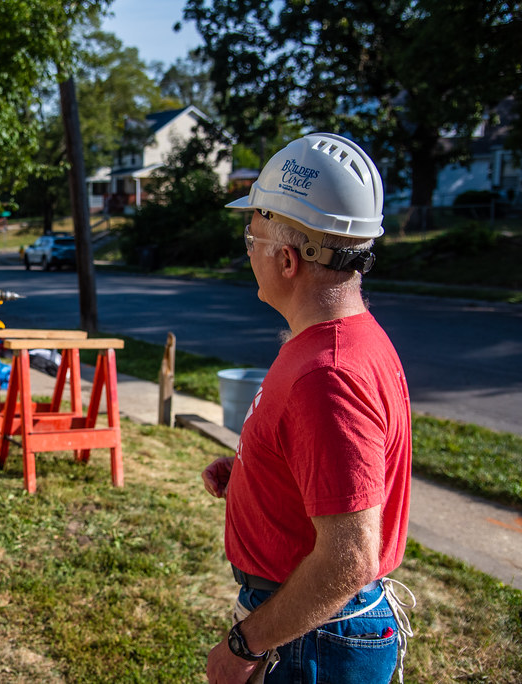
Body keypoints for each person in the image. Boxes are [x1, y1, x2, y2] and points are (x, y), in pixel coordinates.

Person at [202, 132, 414, 684]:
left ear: (287, 259)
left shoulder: (329, 375)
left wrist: (243, 647)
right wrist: (256, 472)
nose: (248, 251)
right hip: (310, 627)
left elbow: (349, 559)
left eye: (251, 238)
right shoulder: (335, 344)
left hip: (310, 639)